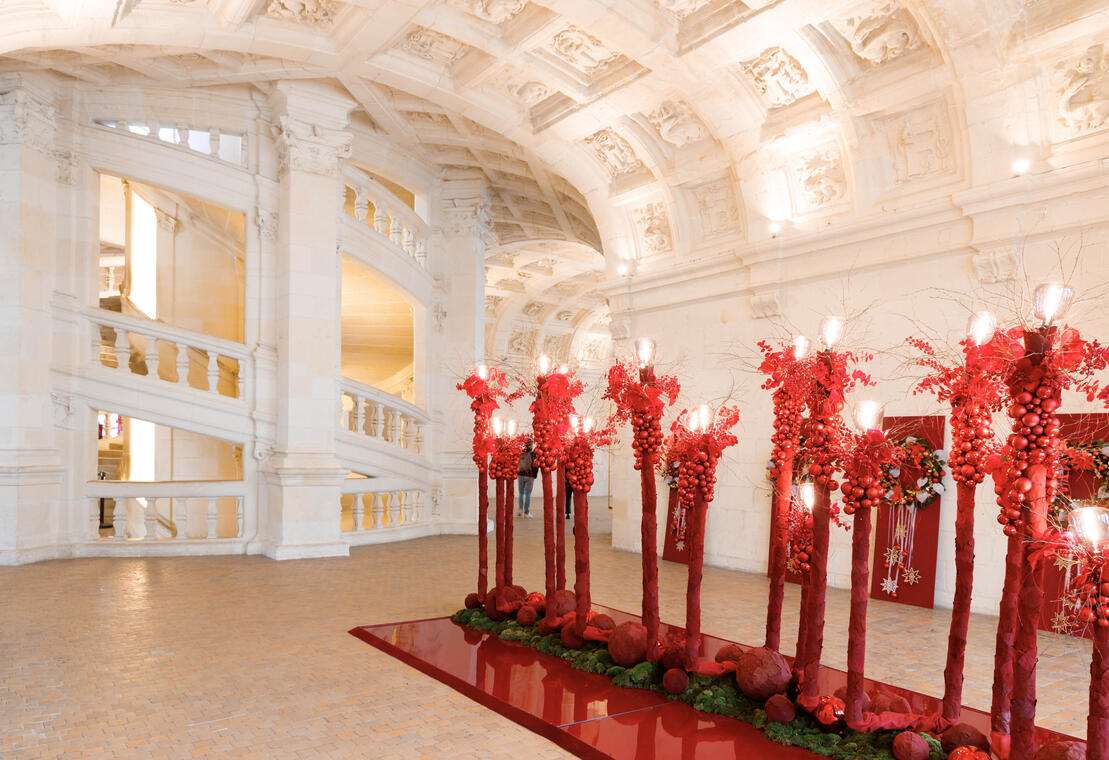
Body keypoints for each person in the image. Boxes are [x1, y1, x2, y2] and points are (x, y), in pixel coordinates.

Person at [517, 440, 537, 517]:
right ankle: (526, 513)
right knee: (528, 494)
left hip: (520, 474)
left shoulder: (521, 453)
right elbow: (536, 465)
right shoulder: (534, 454)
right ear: (531, 445)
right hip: (530, 476)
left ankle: (520, 509)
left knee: (521, 493)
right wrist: (535, 475)